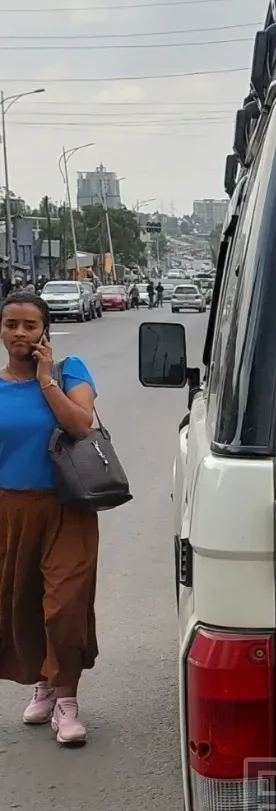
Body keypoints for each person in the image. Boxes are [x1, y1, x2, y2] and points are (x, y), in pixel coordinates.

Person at [0, 291, 98, 745]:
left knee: (64, 606)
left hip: (67, 506)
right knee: (24, 602)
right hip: (11, 510)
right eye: (11, 324)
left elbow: (81, 424)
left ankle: (68, 702)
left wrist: (44, 378)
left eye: (29, 325)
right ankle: (43, 684)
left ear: (45, 331)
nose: (19, 333)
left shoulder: (68, 371)